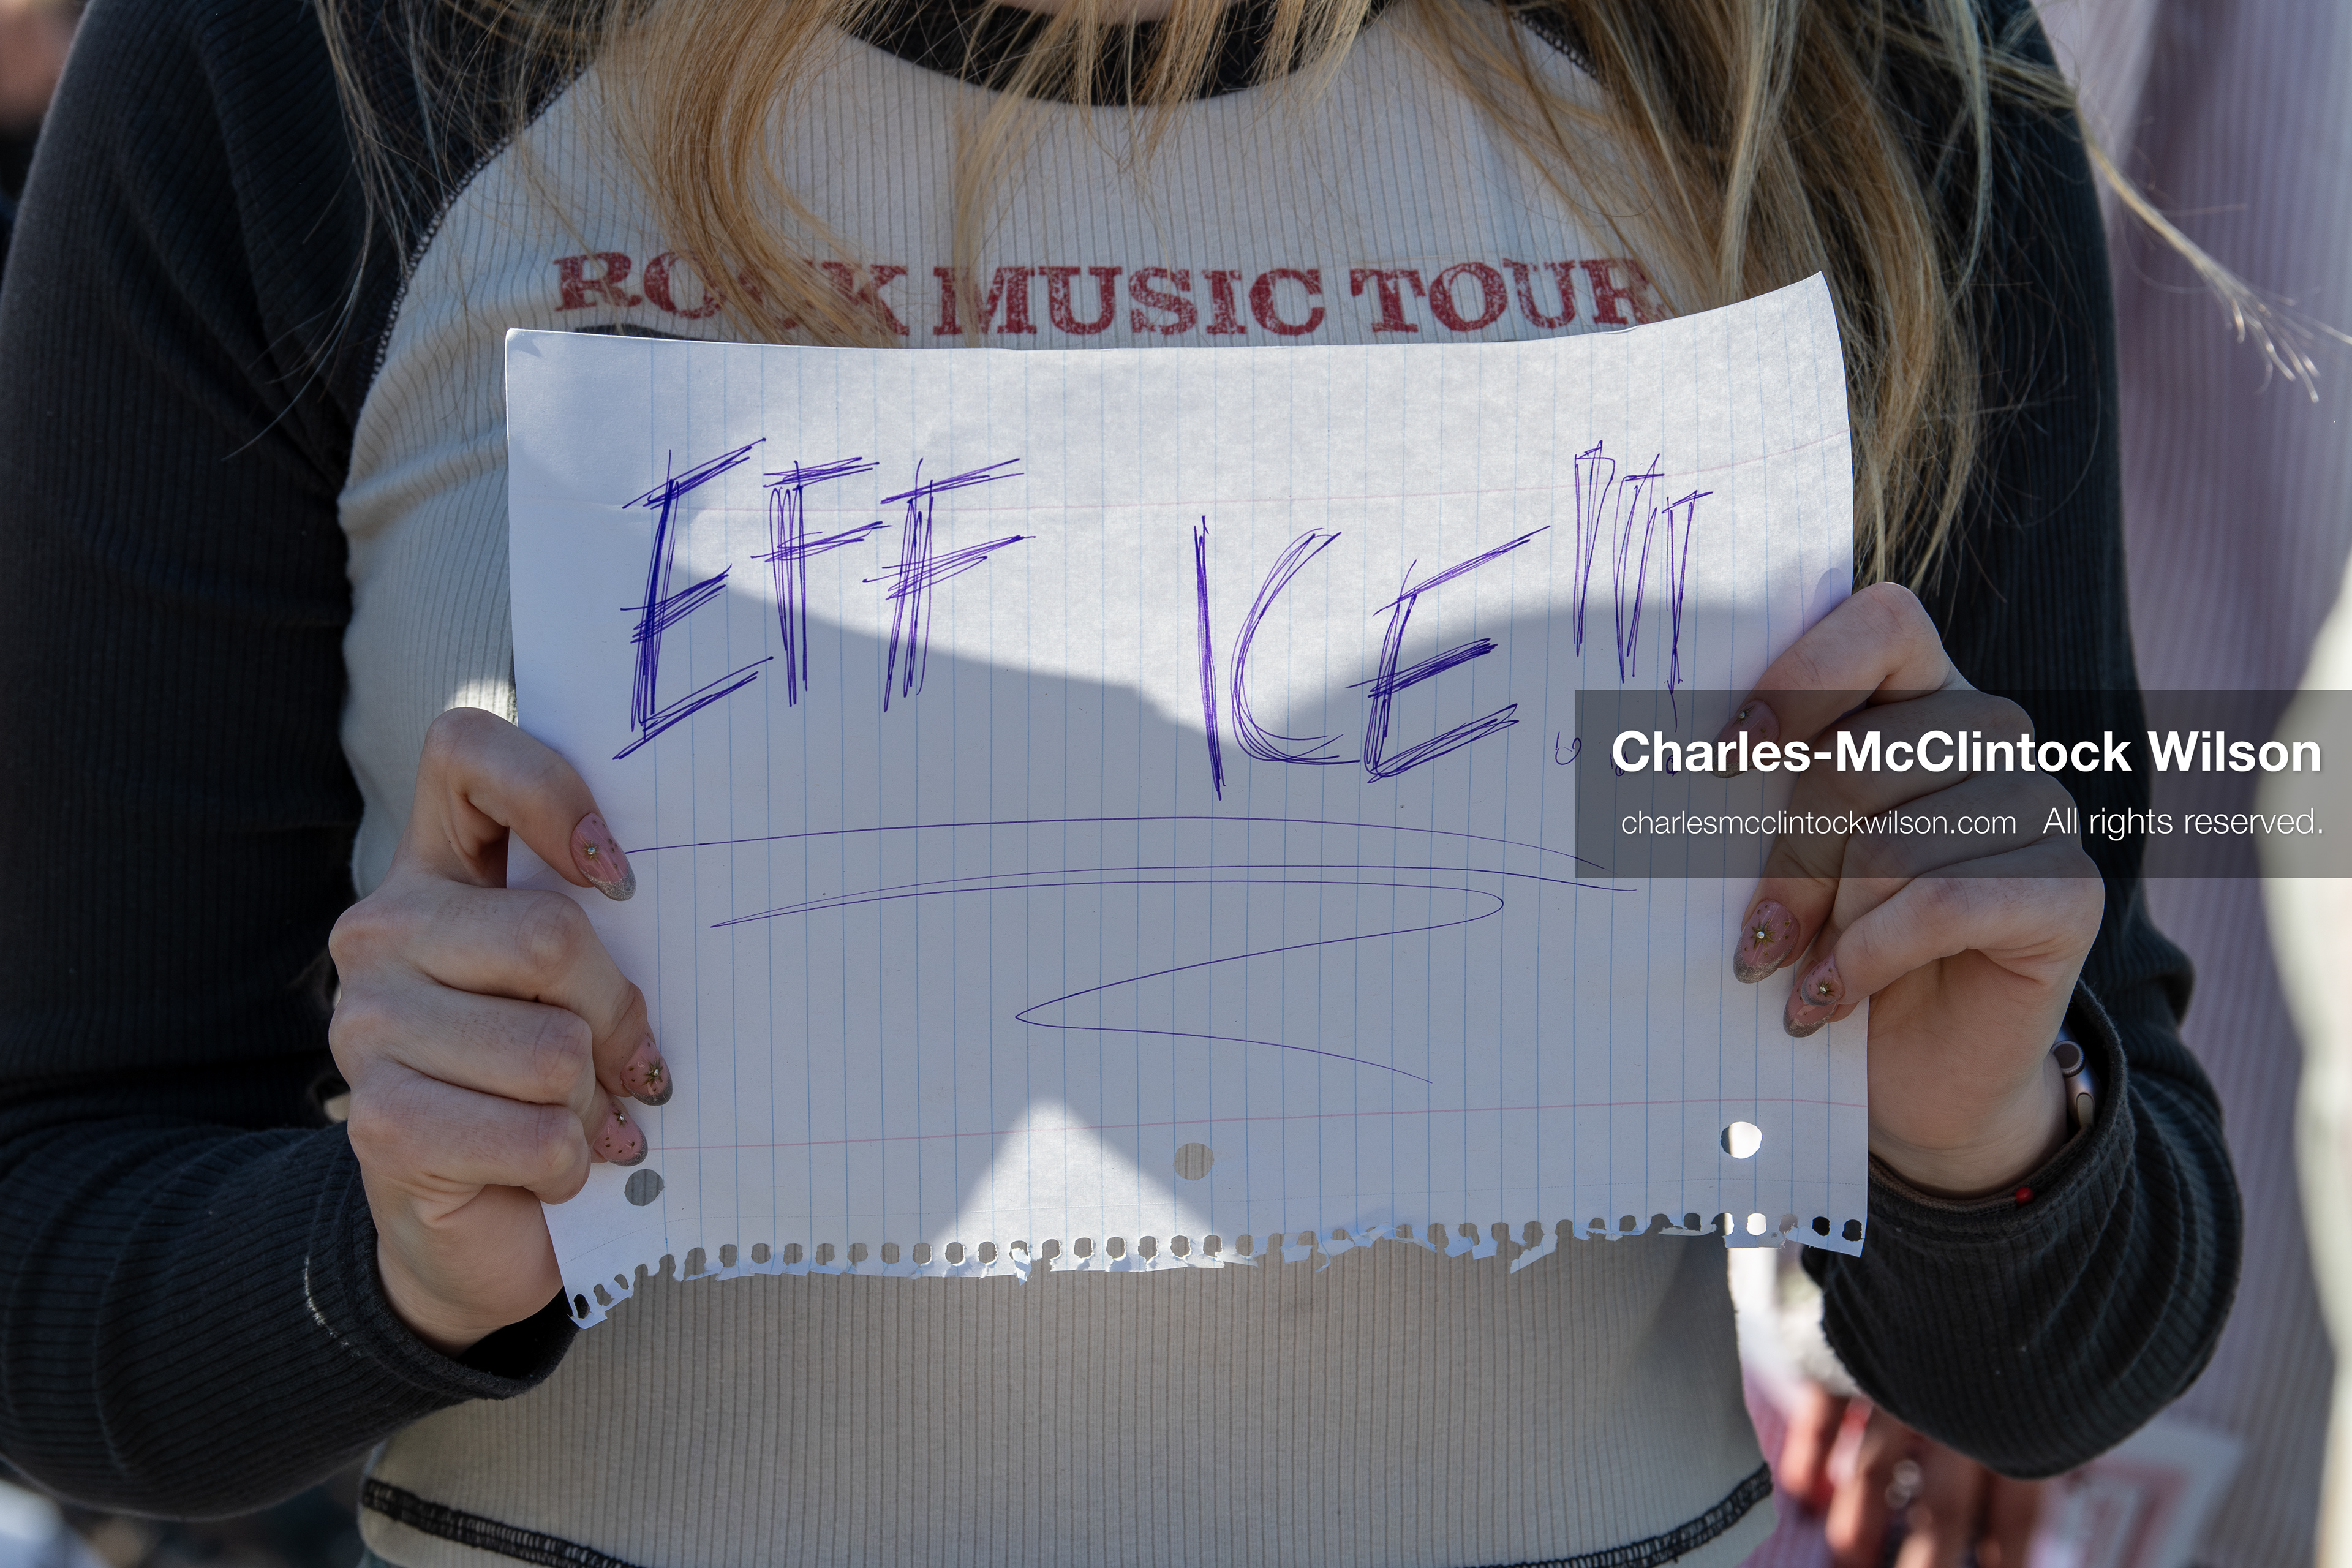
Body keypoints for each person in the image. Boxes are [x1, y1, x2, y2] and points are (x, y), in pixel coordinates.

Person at [0, 0, 2239, 1564]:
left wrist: (1980, 1143)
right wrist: (386, 1257)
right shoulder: (310, 65)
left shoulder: (1854, 76)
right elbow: (53, 1248)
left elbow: (2099, 1306)